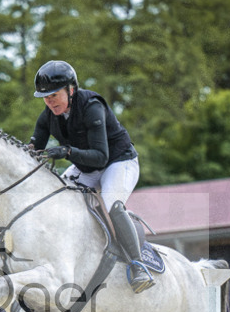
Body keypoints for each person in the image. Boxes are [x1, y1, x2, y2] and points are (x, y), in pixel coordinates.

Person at [29, 60, 153, 293]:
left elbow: (100, 158)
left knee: (112, 204)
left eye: (54, 95)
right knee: (52, 197)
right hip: (86, 168)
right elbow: (33, 150)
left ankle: (138, 264)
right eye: (45, 97)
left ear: (71, 90)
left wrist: (67, 152)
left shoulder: (92, 107)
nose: (49, 101)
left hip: (118, 162)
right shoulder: (48, 116)